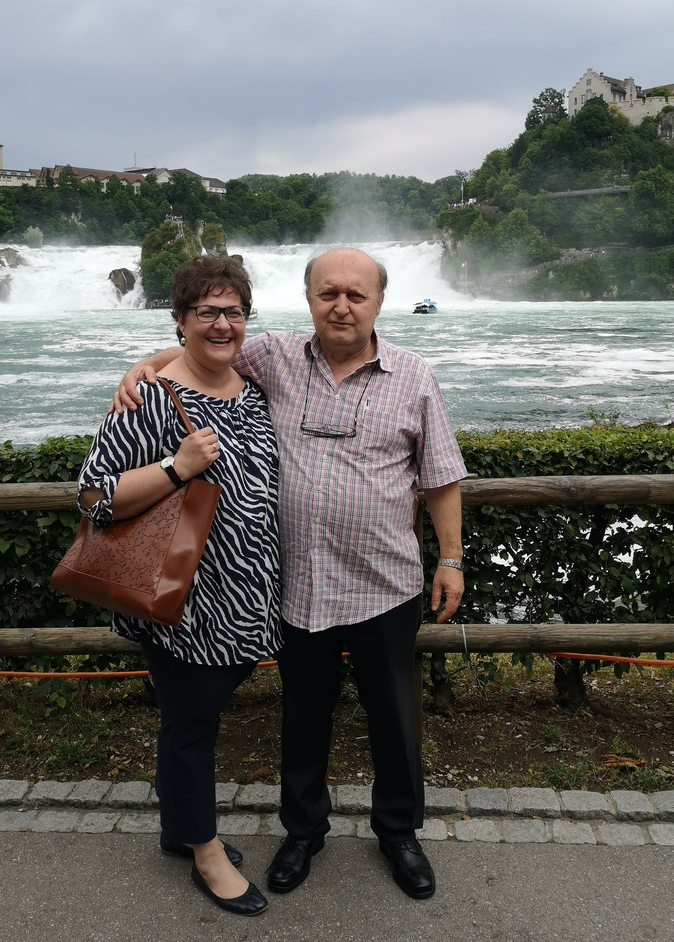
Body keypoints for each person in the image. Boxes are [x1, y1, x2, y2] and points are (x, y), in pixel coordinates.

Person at [112, 247, 467, 902]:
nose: (341, 305)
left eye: (356, 295)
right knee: (304, 719)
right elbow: (202, 348)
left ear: (379, 304)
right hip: (299, 585)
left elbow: (441, 475)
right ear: (308, 299)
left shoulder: (414, 376)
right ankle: (303, 832)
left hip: (384, 584)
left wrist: (449, 558)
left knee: (394, 719)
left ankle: (398, 832)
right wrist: (144, 366)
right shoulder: (273, 356)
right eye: (328, 292)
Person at [79, 255, 280, 917]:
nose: (222, 324)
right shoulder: (149, 398)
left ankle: (176, 828)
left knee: (190, 721)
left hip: (248, 602)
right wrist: (176, 466)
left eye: (233, 312)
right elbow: (93, 497)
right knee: (191, 728)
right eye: (206, 313)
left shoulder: (252, 388)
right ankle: (205, 852)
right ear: (181, 320)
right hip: (183, 604)